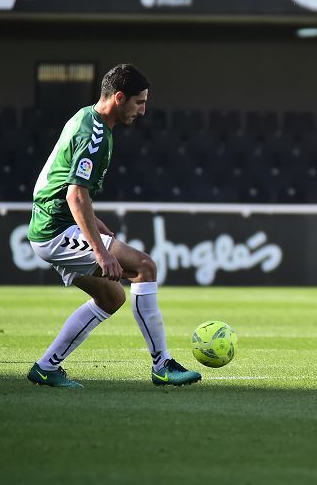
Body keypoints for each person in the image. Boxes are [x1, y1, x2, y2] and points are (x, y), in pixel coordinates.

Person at [26, 64, 201, 389]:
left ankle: (46, 367)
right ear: (119, 97)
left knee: (112, 298)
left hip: (52, 224)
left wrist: (94, 223)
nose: (143, 110)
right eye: (139, 102)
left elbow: (63, 184)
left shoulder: (85, 117)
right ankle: (162, 365)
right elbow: (75, 194)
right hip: (56, 231)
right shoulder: (95, 137)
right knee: (145, 266)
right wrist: (100, 252)